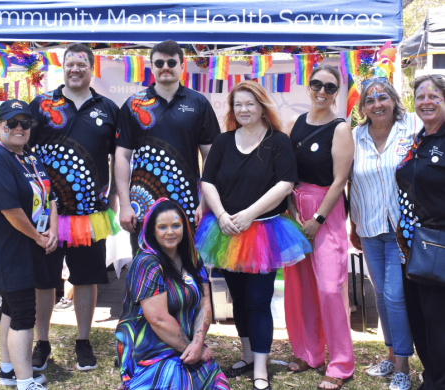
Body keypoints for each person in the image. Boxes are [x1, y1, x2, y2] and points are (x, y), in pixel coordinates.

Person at [194, 81, 311, 390]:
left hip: (264, 232)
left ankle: (260, 366)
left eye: (249, 104)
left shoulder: (278, 142)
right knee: (239, 301)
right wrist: (220, 215)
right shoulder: (222, 141)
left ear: (262, 107)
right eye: (238, 105)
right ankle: (247, 355)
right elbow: (208, 182)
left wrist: (249, 215)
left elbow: (285, 184)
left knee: (259, 301)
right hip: (226, 231)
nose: (243, 110)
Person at [28, 43, 120, 372]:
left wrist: (113, 201)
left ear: (91, 68)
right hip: (46, 214)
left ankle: (83, 341)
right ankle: (41, 343)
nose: (75, 69)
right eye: (70, 64)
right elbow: (22, 149)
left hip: (90, 215)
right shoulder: (41, 104)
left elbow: (118, 157)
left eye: (82, 64)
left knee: (86, 278)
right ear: (62, 67)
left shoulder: (108, 108)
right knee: (43, 281)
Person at [283, 64, 355, 390]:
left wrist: (318, 220)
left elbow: (340, 180)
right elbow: (287, 174)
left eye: (329, 87)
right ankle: (309, 353)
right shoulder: (296, 124)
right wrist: (290, 210)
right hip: (296, 210)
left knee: (329, 288)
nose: (322, 92)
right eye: (316, 85)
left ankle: (340, 364)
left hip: (326, 210)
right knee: (302, 287)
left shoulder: (340, 129)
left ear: (336, 91)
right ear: (308, 86)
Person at [0, 99, 58, 390]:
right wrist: (39, 237)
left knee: (13, 309)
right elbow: (10, 209)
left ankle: (8, 370)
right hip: (10, 250)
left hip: (32, 247)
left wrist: (53, 229)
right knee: (24, 314)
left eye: (25, 123)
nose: (19, 128)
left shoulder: (29, 157)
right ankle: (25, 382)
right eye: (12, 123)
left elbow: (50, 197)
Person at [115, 39, 220, 255]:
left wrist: (205, 203)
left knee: (189, 270)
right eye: (159, 62)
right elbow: (122, 156)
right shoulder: (133, 105)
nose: (165, 67)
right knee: (147, 270)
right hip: (142, 206)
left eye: (172, 63)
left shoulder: (199, 103)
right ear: (151, 67)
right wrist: (125, 205)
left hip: (188, 204)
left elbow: (211, 156)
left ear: (182, 66)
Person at [350, 78, 421, 390]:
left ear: (393, 100)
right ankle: (391, 356)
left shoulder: (412, 130)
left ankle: (404, 364)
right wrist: (353, 225)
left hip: (401, 230)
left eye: (382, 98)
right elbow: (348, 181)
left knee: (395, 295)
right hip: (368, 227)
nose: (376, 104)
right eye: (370, 100)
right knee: (379, 294)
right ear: (363, 107)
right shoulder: (355, 136)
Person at [115, 198, 229, 390]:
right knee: (176, 381)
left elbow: (204, 303)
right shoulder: (146, 263)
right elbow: (157, 319)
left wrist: (198, 343)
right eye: (162, 227)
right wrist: (192, 350)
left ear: (184, 228)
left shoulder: (193, 258)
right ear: (152, 230)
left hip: (187, 347)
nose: (170, 232)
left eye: (176, 225)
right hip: (151, 351)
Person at [395, 74, 445, 390]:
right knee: (420, 317)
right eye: (420, 96)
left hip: (439, 245)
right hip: (413, 246)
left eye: (434, 95)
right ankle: (432, 375)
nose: (426, 101)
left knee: (437, 320)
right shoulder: (418, 140)